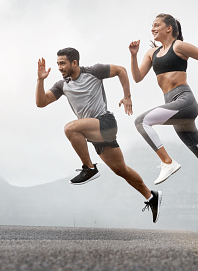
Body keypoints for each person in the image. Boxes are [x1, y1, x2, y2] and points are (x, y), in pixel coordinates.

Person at [128, 13, 198, 220]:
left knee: (141, 121)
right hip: (174, 107)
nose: (152, 28)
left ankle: (167, 161)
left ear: (168, 28)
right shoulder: (151, 53)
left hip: (185, 102)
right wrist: (134, 55)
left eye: (156, 25)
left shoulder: (179, 47)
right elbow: (137, 78)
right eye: (151, 25)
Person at [36, 47, 162, 223]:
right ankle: (151, 196)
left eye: (62, 63)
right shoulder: (62, 85)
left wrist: (127, 97)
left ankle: (89, 168)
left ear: (74, 62)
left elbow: (121, 70)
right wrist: (40, 80)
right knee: (121, 170)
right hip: (93, 133)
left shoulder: (93, 71)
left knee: (70, 129)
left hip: (105, 122)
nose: (59, 67)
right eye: (58, 64)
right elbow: (41, 103)